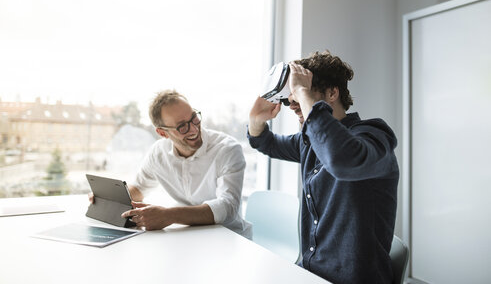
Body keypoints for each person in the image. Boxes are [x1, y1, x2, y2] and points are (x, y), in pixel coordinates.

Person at [247, 50, 399, 283]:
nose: (292, 104)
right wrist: (256, 121)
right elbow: (266, 143)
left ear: (332, 93)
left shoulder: (374, 136)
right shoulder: (308, 141)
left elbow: (343, 160)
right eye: (290, 97)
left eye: (299, 92)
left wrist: (302, 93)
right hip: (309, 273)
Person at [92, 90, 251, 238]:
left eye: (194, 118)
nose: (194, 129)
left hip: (228, 237)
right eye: (182, 126)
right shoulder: (159, 152)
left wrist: (169, 215)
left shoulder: (227, 149)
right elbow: (139, 188)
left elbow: (228, 207)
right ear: (162, 133)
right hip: (189, 236)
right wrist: (108, 197)